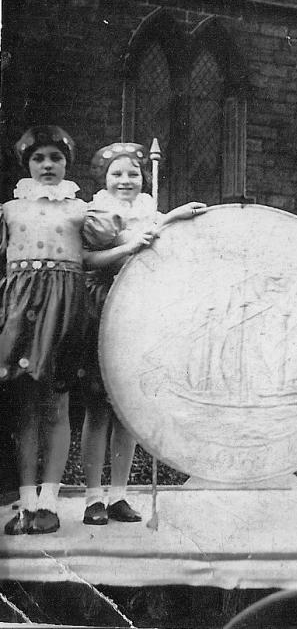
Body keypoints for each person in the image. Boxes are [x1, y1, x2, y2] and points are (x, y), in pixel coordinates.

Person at [79, 142, 206, 525]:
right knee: (99, 407)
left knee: (129, 411)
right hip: (104, 306)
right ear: (104, 179)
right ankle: (92, 497)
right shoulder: (97, 213)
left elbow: (161, 236)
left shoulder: (150, 211)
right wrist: (131, 246)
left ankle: (119, 494)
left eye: (133, 174)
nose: (125, 180)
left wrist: (177, 216)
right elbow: (91, 256)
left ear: (143, 178)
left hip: (142, 312)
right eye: (117, 174)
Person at [1, 126, 89, 535]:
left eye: (55, 157)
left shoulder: (80, 211)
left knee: (56, 406)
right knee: (25, 409)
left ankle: (50, 502)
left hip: (63, 311)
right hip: (20, 313)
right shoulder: (9, 211)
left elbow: (94, 255)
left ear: (67, 162)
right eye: (39, 158)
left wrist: (132, 244)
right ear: (27, 164)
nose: (48, 165)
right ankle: (26, 501)